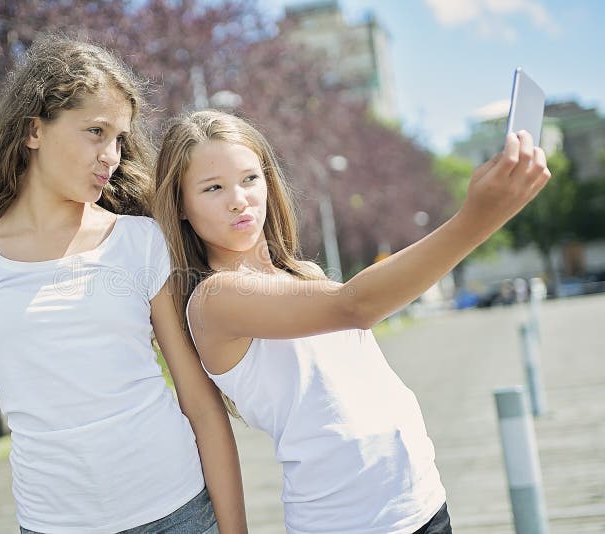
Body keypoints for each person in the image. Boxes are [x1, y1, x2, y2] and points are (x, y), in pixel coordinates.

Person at [152, 110, 551, 534]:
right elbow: (355, 305)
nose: (238, 199)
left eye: (250, 179)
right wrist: (479, 217)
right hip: (348, 522)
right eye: (213, 188)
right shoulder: (216, 298)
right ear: (180, 204)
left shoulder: (304, 276)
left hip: (422, 501)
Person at [0, 38, 246, 533]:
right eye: (96, 131)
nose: (111, 155)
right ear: (34, 130)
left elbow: (198, 401)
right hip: (53, 523)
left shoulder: (143, 242)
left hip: (178, 510)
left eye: (119, 138)